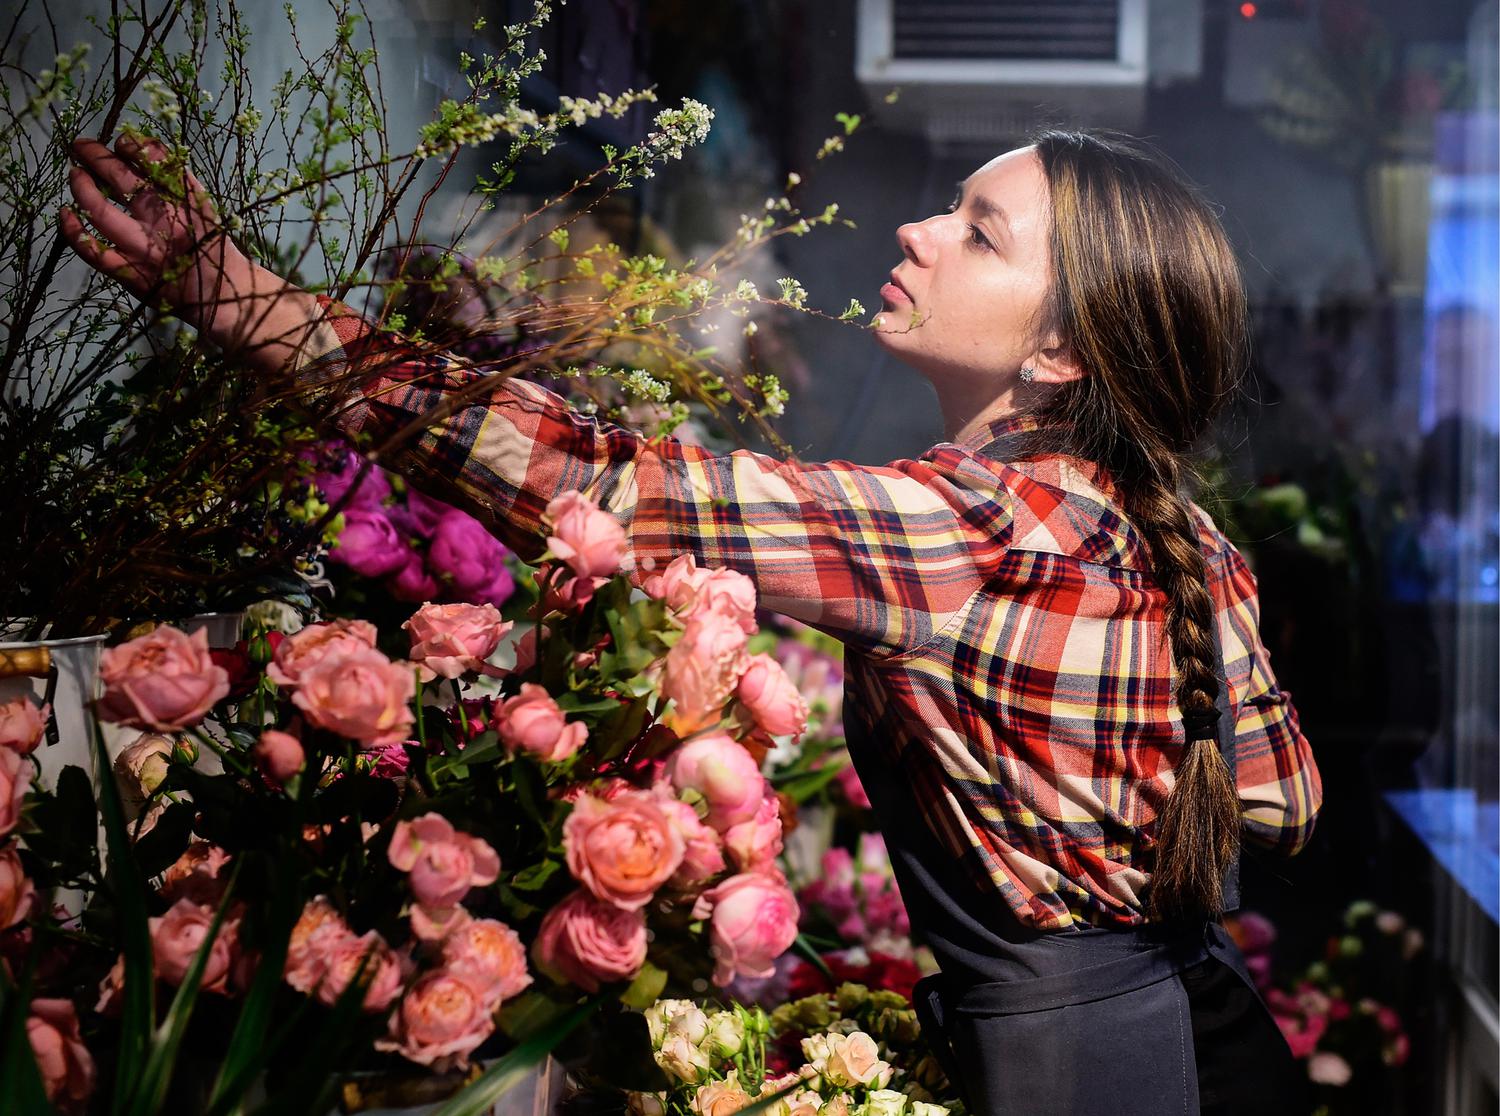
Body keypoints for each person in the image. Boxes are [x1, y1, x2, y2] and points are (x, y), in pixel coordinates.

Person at [62, 128, 1323, 1114]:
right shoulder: (1176, 535)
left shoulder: (969, 533)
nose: (918, 229)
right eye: (950, 206)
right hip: (1207, 1036)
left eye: (979, 234)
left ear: (1057, 351)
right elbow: (1284, 800)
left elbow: (599, 485)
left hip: (1101, 1079)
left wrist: (247, 304)